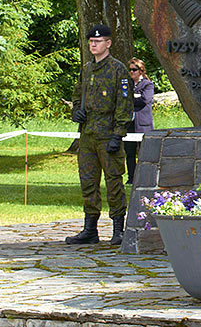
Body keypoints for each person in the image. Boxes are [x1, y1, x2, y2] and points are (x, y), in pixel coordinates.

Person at [66, 24, 133, 246]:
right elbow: (78, 93)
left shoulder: (118, 69)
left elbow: (124, 103)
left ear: (108, 43)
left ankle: (118, 229)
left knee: (114, 182)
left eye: (98, 41)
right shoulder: (87, 69)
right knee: (88, 181)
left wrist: (118, 133)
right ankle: (90, 229)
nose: (93, 44)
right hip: (88, 135)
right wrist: (76, 110)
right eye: (91, 42)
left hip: (108, 134)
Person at [125, 57, 154, 185]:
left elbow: (145, 100)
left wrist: (132, 98)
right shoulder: (126, 84)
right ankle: (131, 178)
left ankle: (144, 178)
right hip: (129, 124)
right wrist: (135, 97)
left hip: (143, 124)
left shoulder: (148, 84)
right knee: (129, 152)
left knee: (144, 153)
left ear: (141, 71)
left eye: (134, 70)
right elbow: (122, 100)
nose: (131, 72)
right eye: (130, 70)